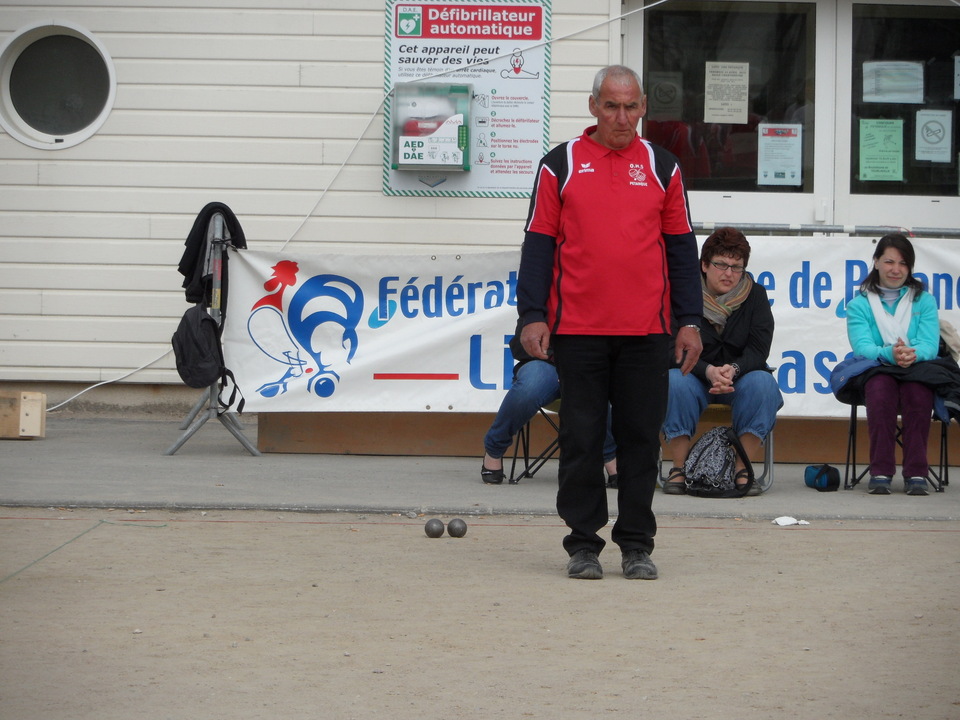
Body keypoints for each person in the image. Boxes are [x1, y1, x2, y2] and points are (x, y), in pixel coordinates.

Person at [516, 65, 703, 580]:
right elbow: (538, 243)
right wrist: (532, 314)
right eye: (611, 106)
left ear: (644, 107)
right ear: (593, 106)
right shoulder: (561, 164)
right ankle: (582, 544)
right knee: (582, 438)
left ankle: (637, 545)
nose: (622, 117)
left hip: (647, 331)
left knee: (641, 439)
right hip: (577, 329)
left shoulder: (663, 166)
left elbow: (682, 251)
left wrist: (690, 321)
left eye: (631, 106)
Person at [661, 227, 783, 494]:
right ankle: (678, 469)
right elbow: (669, 347)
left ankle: (742, 469)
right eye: (721, 265)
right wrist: (707, 371)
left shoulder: (756, 295)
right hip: (694, 376)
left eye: (737, 267)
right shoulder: (680, 294)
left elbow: (759, 349)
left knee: (763, 383)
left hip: (738, 378)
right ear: (704, 265)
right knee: (672, 381)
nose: (729, 273)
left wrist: (733, 369)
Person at [839, 233, 942, 496]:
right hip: (878, 369)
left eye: (903, 264)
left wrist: (911, 355)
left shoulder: (924, 300)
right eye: (889, 262)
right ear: (875, 262)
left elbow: (929, 344)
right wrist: (891, 354)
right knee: (880, 391)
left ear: (910, 267)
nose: (896, 269)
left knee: (918, 394)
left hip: (916, 368)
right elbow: (863, 348)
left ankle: (917, 472)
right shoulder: (859, 304)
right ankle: (880, 471)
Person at [482, 323, 618, 486]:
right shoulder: (539, 304)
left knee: (592, 386)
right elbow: (520, 346)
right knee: (531, 385)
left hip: (591, 366)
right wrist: (562, 364)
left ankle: (611, 457)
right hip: (546, 363)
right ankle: (494, 448)